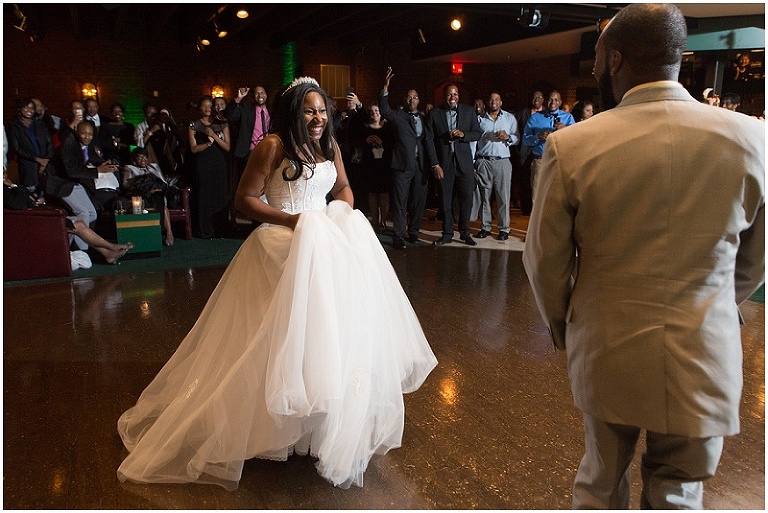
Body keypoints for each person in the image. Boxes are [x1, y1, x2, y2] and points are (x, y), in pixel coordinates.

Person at [116, 76, 437, 490]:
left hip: (324, 241)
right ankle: (266, 426)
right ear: (293, 112)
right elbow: (245, 200)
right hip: (282, 239)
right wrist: (292, 221)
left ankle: (317, 423)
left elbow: (343, 188)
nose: (318, 118)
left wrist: (339, 214)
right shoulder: (272, 145)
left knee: (328, 334)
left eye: (322, 111)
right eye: (309, 111)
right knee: (274, 336)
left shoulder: (329, 144)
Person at [522, 4, 765, 509]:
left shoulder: (572, 146)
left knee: (601, 484)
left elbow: (544, 262)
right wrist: (714, 302)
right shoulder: (753, 139)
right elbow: (756, 260)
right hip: (704, 350)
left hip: (607, 345)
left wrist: (565, 326)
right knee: (680, 490)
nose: (594, 69)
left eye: (597, 59)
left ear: (616, 60)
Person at [378, 68, 432, 249]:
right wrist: (385, 88)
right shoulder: (398, 115)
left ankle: (414, 231)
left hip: (420, 165)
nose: (412, 100)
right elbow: (384, 109)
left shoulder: (423, 118)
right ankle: (398, 235)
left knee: (418, 201)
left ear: (419, 100)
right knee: (400, 202)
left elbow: (428, 141)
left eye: (415, 97)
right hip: (402, 165)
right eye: (409, 97)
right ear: (404, 99)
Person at [46, 121, 120, 252]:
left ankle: (81, 245)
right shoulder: (68, 145)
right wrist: (98, 171)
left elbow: (92, 159)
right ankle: (82, 251)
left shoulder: (88, 145)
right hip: (60, 183)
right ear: (76, 132)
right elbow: (72, 171)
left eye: (90, 134)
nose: (87, 137)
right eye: (84, 133)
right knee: (83, 213)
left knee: (92, 213)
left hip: (75, 182)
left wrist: (106, 164)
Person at [428, 84, 482, 246]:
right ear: (444, 96)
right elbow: (429, 141)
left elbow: (477, 133)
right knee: (445, 200)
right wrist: (435, 165)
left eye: (456, 94)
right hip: (444, 164)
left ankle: (465, 232)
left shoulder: (468, 111)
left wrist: (463, 134)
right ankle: (447, 233)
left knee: (466, 199)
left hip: (464, 163)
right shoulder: (434, 113)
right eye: (450, 95)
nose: (453, 98)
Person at [473, 92, 518, 241]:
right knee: (484, 197)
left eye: (497, 99)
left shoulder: (509, 118)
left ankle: (504, 229)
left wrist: (508, 137)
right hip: (484, 161)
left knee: (503, 196)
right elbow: (474, 142)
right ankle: (485, 227)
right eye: (491, 99)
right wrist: (474, 162)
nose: (494, 101)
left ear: (501, 102)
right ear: (488, 102)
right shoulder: (480, 120)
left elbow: (517, 138)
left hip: (502, 161)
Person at [188, 96, 230, 239]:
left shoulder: (222, 123)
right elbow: (193, 149)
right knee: (204, 195)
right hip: (203, 163)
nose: (207, 108)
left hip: (218, 162)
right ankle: (205, 230)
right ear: (200, 108)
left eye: (209, 106)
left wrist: (214, 136)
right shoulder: (194, 124)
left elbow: (227, 147)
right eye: (204, 106)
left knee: (220, 194)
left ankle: (220, 230)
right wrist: (208, 144)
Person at [522, 90, 574, 205]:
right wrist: (538, 136)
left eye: (556, 100)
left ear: (560, 102)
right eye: (550, 99)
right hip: (540, 161)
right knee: (537, 196)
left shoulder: (568, 118)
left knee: (558, 197)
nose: (553, 102)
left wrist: (565, 130)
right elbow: (525, 140)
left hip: (559, 162)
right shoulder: (535, 118)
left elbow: (575, 140)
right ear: (546, 101)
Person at [122, 147, 175, 246]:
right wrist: (145, 187)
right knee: (160, 203)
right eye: (140, 157)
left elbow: (163, 182)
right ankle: (158, 233)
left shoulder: (153, 167)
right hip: (141, 195)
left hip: (158, 193)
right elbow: (126, 185)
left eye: (145, 157)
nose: (144, 159)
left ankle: (169, 233)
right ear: (134, 160)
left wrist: (157, 188)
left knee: (161, 201)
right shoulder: (129, 168)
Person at [223, 85, 270, 184]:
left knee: (267, 183)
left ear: (266, 95)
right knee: (250, 183)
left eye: (262, 92)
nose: (259, 95)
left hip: (269, 152)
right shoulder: (247, 110)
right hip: (251, 153)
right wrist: (238, 98)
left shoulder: (272, 111)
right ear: (253, 96)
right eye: (257, 93)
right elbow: (228, 115)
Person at [8, 97, 53, 195]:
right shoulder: (14, 126)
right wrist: (37, 159)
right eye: (26, 107)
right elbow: (17, 148)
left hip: (45, 164)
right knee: (31, 192)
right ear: (20, 109)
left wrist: (45, 161)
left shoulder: (40, 124)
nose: (29, 110)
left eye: (32, 108)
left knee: (46, 190)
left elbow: (49, 143)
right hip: (28, 165)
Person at [359, 103, 392, 234]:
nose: (375, 113)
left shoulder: (387, 128)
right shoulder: (365, 128)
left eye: (377, 110)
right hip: (370, 165)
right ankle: (375, 221)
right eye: (372, 111)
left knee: (384, 194)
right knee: (372, 194)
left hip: (384, 166)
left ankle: (383, 221)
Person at [512, 90, 544, 215]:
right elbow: (517, 133)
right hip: (525, 153)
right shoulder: (522, 114)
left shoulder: (546, 115)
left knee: (538, 183)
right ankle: (526, 208)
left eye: (539, 97)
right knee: (525, 181)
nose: (537, 99)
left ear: (543, 100)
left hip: (540, 153)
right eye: (534, 97)